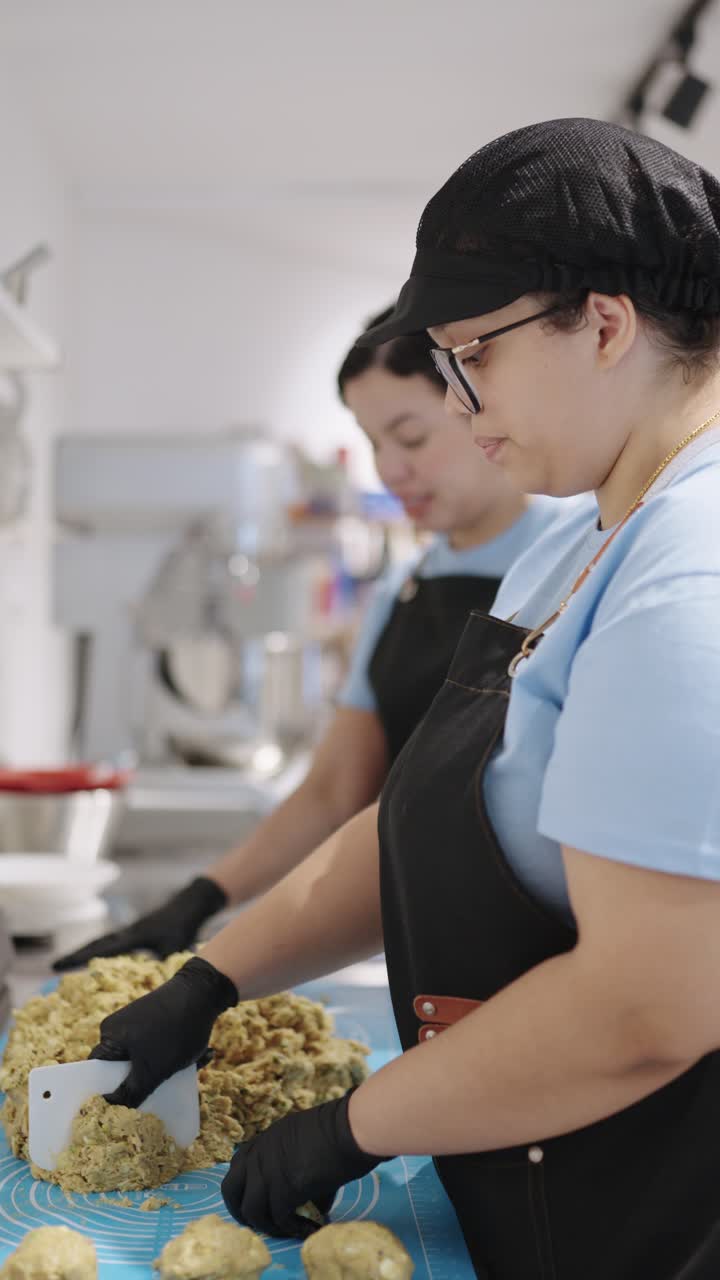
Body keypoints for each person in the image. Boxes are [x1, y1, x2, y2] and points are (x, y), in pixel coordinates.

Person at [81, 116, 720, 1279]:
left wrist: (353, 1125)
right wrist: (214, 974)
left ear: (606, 323)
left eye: (473, 352)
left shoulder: (691, 573)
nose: (463, 397)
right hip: (525, 1174)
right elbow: (413, 826)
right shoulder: (577, 542)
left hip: (648, 1218)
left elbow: (648, 1006)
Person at [55, 310, 563, 972]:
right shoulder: (400, 592)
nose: (391, 470)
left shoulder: (573, 557)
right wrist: (198, 900)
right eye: (373, 444)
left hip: (550, 938)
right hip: (422, 933)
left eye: (410, 438)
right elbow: (333, 792)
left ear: (476, 407)